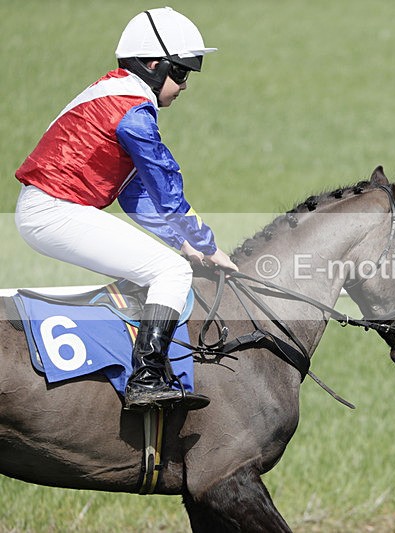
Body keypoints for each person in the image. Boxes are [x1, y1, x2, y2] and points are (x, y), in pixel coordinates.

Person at [14, 7, 237, 411]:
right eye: (182, 73)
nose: (185, 86)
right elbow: (166, 186)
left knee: (167, 263)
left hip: (48, 209)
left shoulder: (119, 94)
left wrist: (181, 242)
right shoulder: (133, 110)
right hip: (54, 211)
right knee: (170, 272)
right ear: (153, 65)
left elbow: (134, 195)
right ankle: (147, 378)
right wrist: (205, 243)